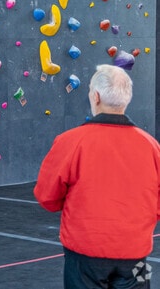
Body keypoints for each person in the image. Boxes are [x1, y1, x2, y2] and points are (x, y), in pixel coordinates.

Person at [34, 64, 160, 288]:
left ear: (96, 96)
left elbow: (47, 198)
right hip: (137, 255)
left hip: (85, 256)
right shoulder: (151, 146)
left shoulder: (70, 142)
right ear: (127, 98)